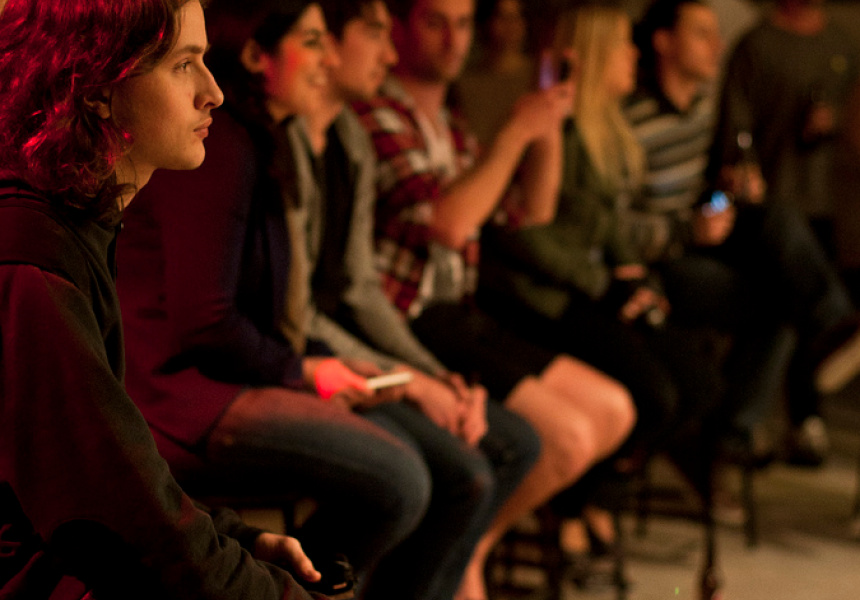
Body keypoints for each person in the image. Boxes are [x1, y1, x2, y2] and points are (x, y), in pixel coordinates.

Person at [116, 1, 534, 598]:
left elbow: (289, 307)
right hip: (185, 392)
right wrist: (311, 371)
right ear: (258, 56)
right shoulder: (224, 147)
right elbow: (208, 324)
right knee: (404, 479)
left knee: (448, 470)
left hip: (245, 372)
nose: (329, 59)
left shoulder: (269, 140)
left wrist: (362, 371)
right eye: (313, 42)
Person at [0, 0, 331, 597]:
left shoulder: (76, 219)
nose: (214, 93)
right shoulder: (36, 259)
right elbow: (121, 522)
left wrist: (237, 538)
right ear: (97, 87)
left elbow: (124, 483)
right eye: (183, 65)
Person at [352, 0, 637, 598]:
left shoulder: (448, 122)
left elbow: (531, 211)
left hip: (459, 314)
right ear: (400, 28)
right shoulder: (376, 113)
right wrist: (515, 133)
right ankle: (463, 554)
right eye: (435, 22)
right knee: (565, 437)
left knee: (614, 409)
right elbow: (450, 223)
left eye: (463, 23)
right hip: (409, 321)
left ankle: (471, 545)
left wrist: (547, 122)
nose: (454, 39)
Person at [283, 0, 541, 597]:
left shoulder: (348, 137)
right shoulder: (291, 140)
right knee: (457, 476)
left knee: (510, 445)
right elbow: (300, 318)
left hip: (355, 342)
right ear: (327, 46)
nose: (390, 52)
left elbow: (359, 287)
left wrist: (435, 377)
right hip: (301, 357)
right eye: (375, 33)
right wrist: (412, 382)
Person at [626, 0, 860, 466]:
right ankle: (728, 432)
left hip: (705, 232)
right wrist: (687, 228)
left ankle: (833, 323)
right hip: (660, 258)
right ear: (664, 42)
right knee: (778, 298)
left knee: (776, 218)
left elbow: (705, 188)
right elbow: (617, 227)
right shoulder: (634, 122)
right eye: (701, 34)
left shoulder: (702, 109)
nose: (717, 45)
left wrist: (727, 189)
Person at [711, 0, 860, 257]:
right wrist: (744, 170)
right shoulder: (757, 45)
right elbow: (735, 125)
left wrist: (834, 118)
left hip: (829, 200)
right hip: (773, 200)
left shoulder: (842, 43)